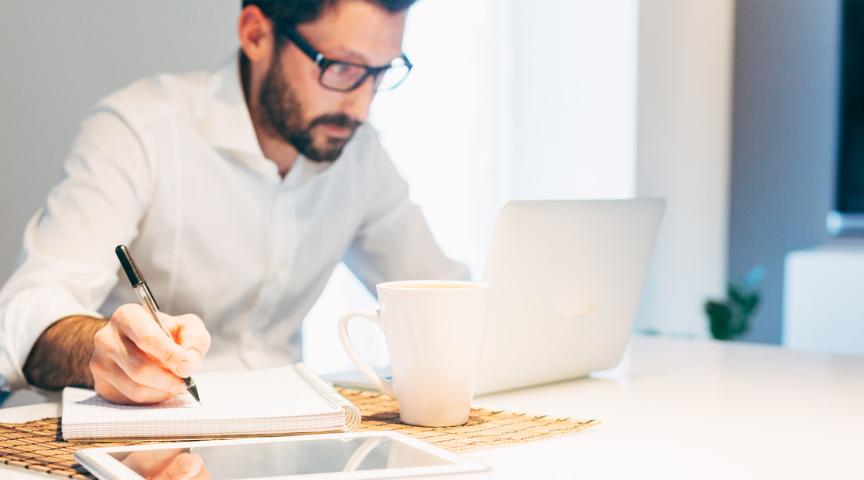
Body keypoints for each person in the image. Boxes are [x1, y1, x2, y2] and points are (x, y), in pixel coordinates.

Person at [0, 0, 467, 405]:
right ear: (256, 34)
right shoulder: (140, 131)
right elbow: (26, 313)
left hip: (290, 442)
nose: (361, 108)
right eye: (341, 69)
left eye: (380, 73)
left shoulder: (359, 152)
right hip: (148, 438)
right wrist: (101, 349)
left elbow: (445, 297)